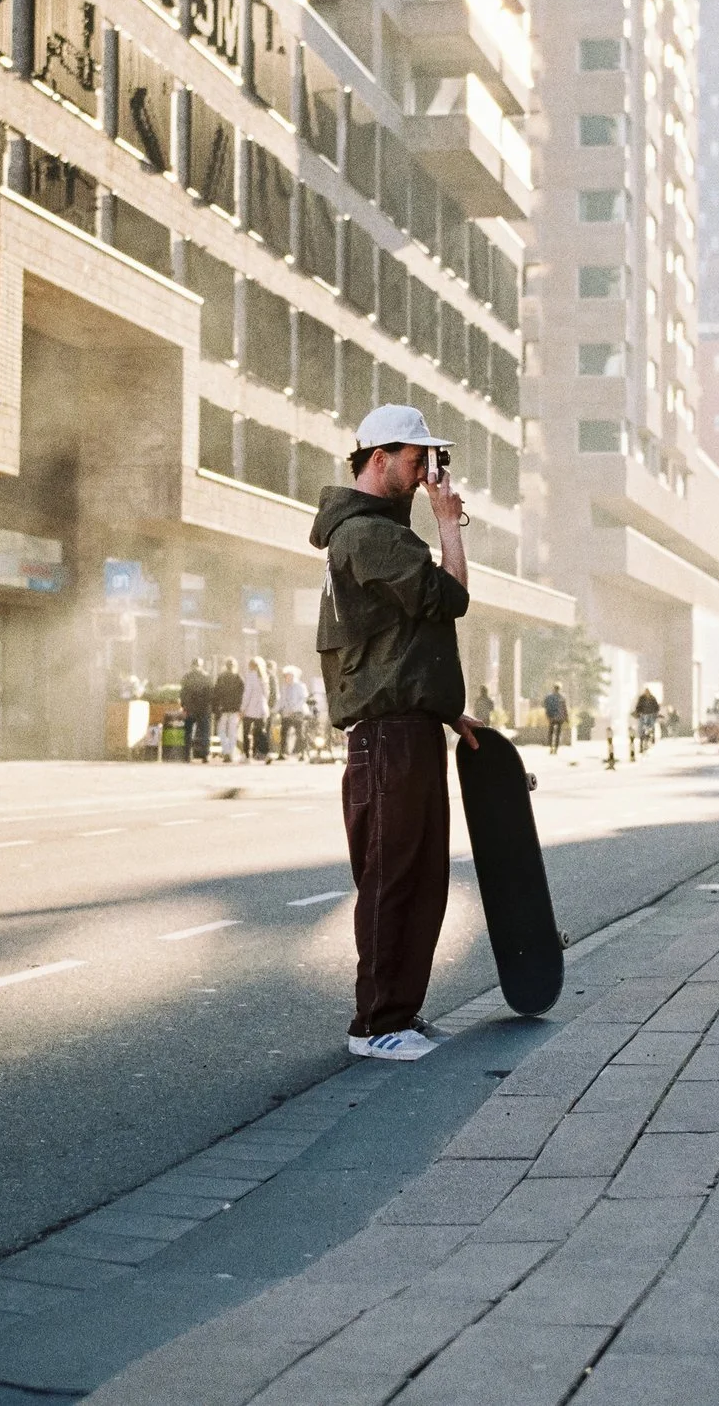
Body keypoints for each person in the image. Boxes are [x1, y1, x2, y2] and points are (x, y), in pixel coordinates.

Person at [310, 403, 481, 1063]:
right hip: (390, 739)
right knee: (394, 879)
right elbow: (451, 598)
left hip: (404, 728)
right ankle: (376, 1024)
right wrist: (448, 523)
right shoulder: (369, 535)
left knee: (420, 879)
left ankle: (399, 1014)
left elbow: (388, 643)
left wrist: (441, 707)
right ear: (378, 457)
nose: (426, 473)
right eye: (417, 460)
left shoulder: (372, 533)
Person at [180, 658, 215, 763]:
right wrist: (211, 707)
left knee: (188, 732)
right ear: (201, 665)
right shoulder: (207, 677)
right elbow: (211, 693)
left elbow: (183, 693)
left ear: (192, 665)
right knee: (205, 733)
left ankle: (187, 755)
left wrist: (183, 706)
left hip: (190, 708)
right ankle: (205, 755)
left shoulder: (187, 677)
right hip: (204, 708)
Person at [212, 656, 244, 763]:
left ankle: (226, 752)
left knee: (221, 731)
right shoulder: (238, 678)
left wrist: (215, 709)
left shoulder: (221, 677)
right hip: (235, 710)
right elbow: (242, 695)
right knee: (232, 732)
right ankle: (230, 753)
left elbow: (216, 694)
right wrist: (241, 708)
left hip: (223, 709)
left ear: (226, 666)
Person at [276, 664, 310, 758]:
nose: (286, 678)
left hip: (297, 712)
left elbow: (303, 699)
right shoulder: (284, 687)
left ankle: (302, 753)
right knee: (283, 732)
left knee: (299, 733)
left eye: (288, 675)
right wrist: (277, 709)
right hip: (286, 713)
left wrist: (294, 709)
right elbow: (282, 699)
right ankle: (282, 753)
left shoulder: (300, 686)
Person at [240, 656, 271, 760]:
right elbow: (267, 694)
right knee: (260, 731)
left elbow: (247, 694)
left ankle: (246, 754)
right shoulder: (264, 677)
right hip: (261, 708)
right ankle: (260, 752)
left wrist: (243, 708)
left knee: (246, 732)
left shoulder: (250, 676)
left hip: (250, 709)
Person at [633, 686, 661, 757]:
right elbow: (638, 706)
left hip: (651, 714)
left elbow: (656, 706)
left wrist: (655, 713)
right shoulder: (642, 698)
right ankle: (641, 742)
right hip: (643, 715)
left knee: (651, 726)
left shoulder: (652, 698)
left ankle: (652, 737)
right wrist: (638, 712)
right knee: (641, 728)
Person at [543, 682, 568, 754]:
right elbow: (564, 708)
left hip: (551, 717)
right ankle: (556, 749)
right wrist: (566, 718)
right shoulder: (562, 697)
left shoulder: (549, 697)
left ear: (554, 688)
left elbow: (545, 706)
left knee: (551, 732)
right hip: (560, 717)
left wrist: (547, 715)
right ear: (560, 688)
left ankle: (551, 747)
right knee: (558, 734)